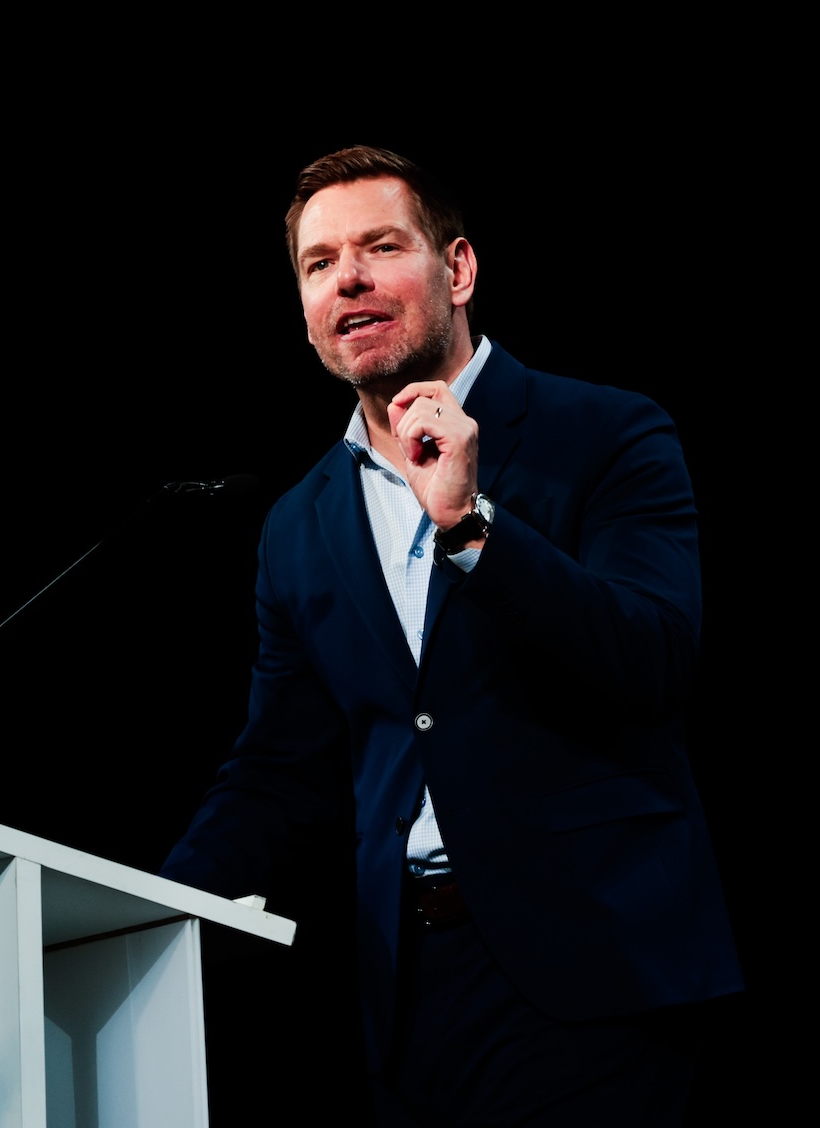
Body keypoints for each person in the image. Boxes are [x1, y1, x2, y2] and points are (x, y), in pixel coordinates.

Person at [158, 144, 744, 1126]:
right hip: (409, 998)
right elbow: (276, 772)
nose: (348, 278)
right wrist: (141, 908)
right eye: (318, 263)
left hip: (594, 971)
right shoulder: (300, 523)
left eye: (381, 247)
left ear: (458, 268)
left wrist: (474, 528)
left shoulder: (603, 433)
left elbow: (652, 657)